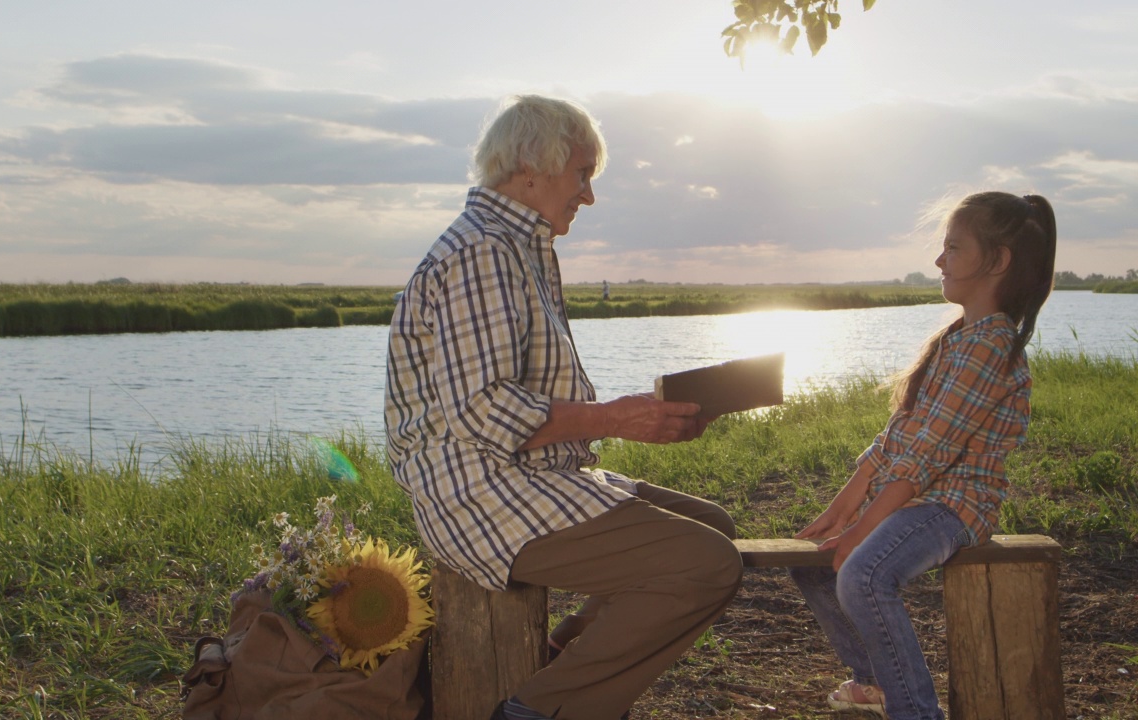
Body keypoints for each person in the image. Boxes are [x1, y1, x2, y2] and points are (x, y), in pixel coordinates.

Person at [384, 95, 743, 720]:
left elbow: (516, 398)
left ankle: (561, 655)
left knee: (715, 525)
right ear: (531, 167)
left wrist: (647, 418)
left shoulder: (519, 248)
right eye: (582, 175)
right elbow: (484, 409)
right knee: (706, 564)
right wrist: (615, 419)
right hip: (479, 492)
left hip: (524, 475)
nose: (589, 195)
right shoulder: (484, 252)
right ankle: (537, 710)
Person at [790, 192, 1057, 719]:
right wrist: (847, 502)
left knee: (864, 574)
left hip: (953, 505)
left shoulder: (991, 346)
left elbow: (930, 455)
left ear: (997, 262)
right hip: (916, 497)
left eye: (953, 248)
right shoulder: (957, 338)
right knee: (813, 564)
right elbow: (901, 433)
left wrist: (864, 526)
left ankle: (915, 710)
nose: (938, 261)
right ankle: (878, 683)